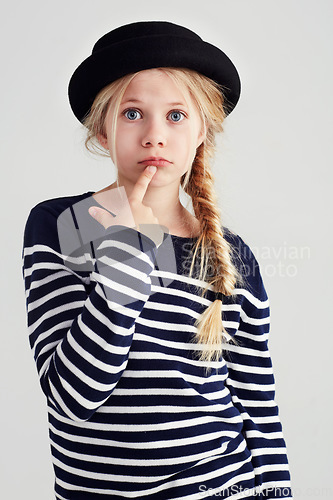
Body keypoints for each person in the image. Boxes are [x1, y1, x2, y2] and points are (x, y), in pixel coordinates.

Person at [22, 21, 292, 499]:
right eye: (132, 114)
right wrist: (128, 254)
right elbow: (71, 398)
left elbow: (258, 407)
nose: (154, 136)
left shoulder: (230, 255)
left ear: (201, 131)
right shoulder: (62, 225)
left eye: (175, 116)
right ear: (101, 132)